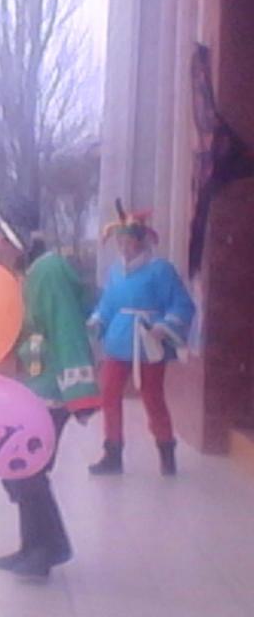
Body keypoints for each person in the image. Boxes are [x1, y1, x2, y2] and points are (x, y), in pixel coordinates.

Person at [0, 193, 99, 578]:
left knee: (27, 470)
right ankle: (34, 548)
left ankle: (47, 549)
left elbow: (66, 327)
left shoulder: (49, 271)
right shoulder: (30, 273)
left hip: (51, 392)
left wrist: (80, 394)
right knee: (22, 470)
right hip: (33, 388)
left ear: (15, 233)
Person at [88, 201, 196, 476]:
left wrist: (165, 326)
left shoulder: (161, 269)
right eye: (120, 241)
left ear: (140, 241)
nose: (124, 247)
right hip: (118, 341)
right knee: (109, 394)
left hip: (148, 340)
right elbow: (108, 304)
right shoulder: (115, 271)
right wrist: (98, 319)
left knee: (152, 397)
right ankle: (112, 452)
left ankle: (166, 450)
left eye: (128, 241)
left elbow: (181, 303)